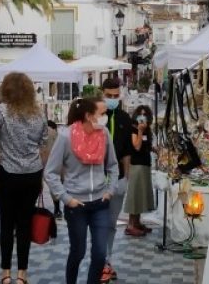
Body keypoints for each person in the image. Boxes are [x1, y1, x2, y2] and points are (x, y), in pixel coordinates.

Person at [0, 72, 49, 284]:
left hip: (6, 174)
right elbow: (44, 146)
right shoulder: (39, 114)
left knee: (7, 224)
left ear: (6, 90)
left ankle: (5, 274)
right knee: (25, 224)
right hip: (32, 174)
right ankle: (22, 275)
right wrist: (41, 170)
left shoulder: (1, 111)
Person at [44, 98, 119, 284]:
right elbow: (50, 172)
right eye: (102, 113)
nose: (105, 117)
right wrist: (66, 198)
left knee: (100, 253)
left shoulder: (104, 134)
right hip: (76, 205)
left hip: (100, 202)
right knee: (78, 252)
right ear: (88, 115)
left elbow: (113, 166)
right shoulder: (66, 137)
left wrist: (110, 191)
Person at [100, 78, 135, 282]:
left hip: (118, 178)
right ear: (102, 92)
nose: (112, 99)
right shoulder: (95, 117)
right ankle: (101, 262)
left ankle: (107, 260)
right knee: (98, 224)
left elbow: (127, 152)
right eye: (109, 95)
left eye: (115, 96)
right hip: (96, 180)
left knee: (111, 223)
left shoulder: (123, 118)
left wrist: (126, 179)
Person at [124, 105, 155, 236]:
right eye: (140, 115)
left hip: (145, 164)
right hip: (136, 165)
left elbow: (144, 146)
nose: (142, 118)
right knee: (135, 194)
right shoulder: (134, 129)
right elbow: (136, 146)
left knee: (141, 194)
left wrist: (153, 149)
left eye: (145, 115)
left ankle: (137, 222)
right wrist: (140, 131)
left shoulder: (147, 130)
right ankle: (130, 224)